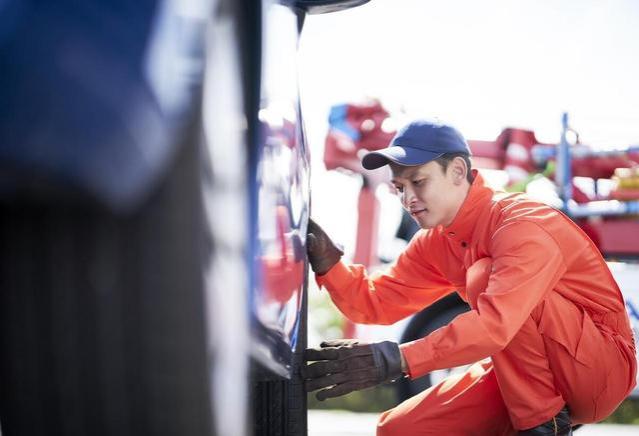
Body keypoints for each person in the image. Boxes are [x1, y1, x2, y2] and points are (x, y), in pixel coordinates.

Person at [303, 120, 637, 435]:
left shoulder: (522, 224)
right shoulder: (436, 242)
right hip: (534, 376)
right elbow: (375, 304)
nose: (407, 199)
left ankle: (541, 428)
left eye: (418, 182)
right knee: (400, 429)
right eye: (399, 187)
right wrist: (329, 265)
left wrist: (398, 359)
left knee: (482, 277)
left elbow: (495, 324)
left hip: (600, 372)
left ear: (458, 171)